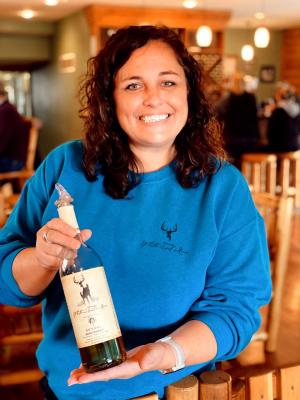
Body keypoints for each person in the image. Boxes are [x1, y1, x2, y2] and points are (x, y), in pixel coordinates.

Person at [0, 26, 271, 400]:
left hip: (177, 390)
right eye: (133, 85)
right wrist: (42, 259)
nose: (153, 99)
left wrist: (164, 353)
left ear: (189, 92)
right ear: (109, 99)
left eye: (169, 82)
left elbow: (237, 310)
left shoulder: (222, 188)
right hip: (71, 391)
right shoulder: (64, 166)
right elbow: (10, 289)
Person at [217, 73, 260, 166]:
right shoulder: (252, 98)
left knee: (230, 161)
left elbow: (216, 111)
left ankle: (236, 176)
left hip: (233, 140)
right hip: (251, 140)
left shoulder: (229, 99)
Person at [0, 82, 33, 172]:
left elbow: (2, 141)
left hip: (13, 160)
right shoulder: (7, 108)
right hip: (11, 158)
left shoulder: (5, 111)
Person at [266, 83, 300, 152]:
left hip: (280, 147)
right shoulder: (298, 108)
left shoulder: (278, 110)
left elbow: (270, 133)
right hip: (295, 145)